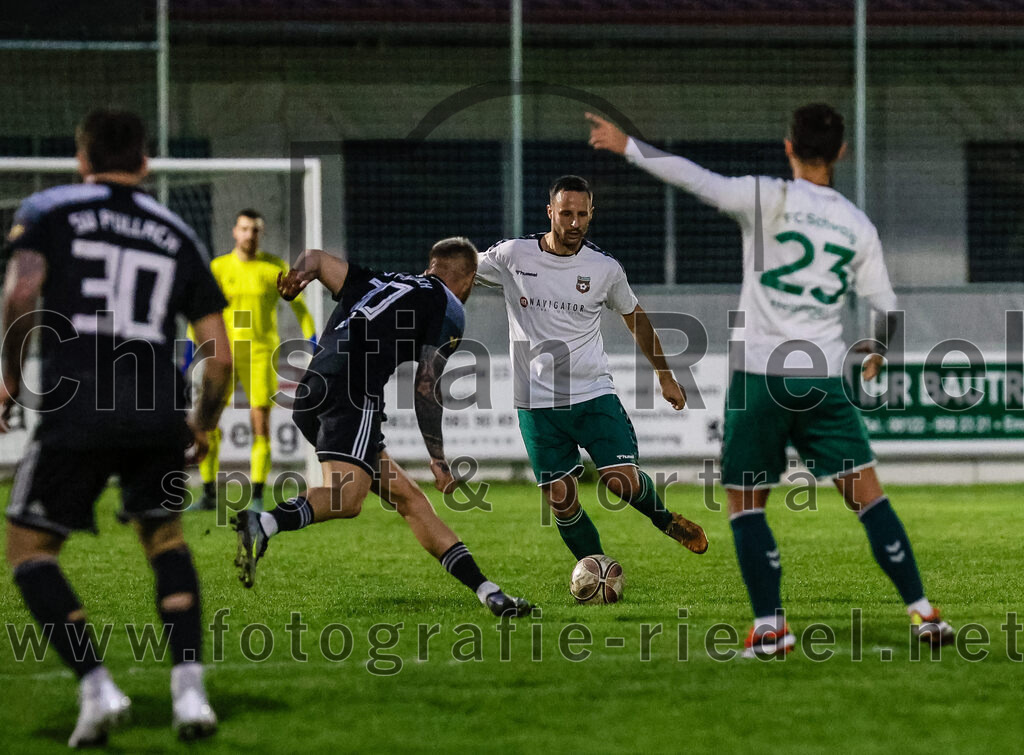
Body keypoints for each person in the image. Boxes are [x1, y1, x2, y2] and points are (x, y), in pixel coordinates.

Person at [587, 104, 955, 656]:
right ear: (841, 152)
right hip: (822, 380)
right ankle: (924, 613)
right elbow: (886, 308)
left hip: (760, 378)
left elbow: (697, 179)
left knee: (747, 503)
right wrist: (877, 350)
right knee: (869, 499)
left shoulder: (768, 197)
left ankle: (770, 628)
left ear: (788, 147)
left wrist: (628, 146)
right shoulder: (857, 224)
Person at [2, 109, 232, 745]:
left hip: (77, 408)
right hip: (157, 412)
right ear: (145, 162)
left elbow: (21, 294)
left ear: (82, 159)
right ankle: (190, 696)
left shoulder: (49, 209)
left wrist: (11, 376)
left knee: (29, 551)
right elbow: (220, 357)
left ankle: (97, 687)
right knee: (166, 542)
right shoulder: (176, 231)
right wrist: (201, 424)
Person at [233, 239, 532, 618]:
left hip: (312, 387)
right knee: (346, 498)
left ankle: (489, 593)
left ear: (431, 266)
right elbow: (427, 386)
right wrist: (438, 458)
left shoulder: (380, 280)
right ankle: (263, 523)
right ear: (470, 279)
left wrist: (298, 276)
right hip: (352, 389)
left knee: (409, 499)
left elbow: (317, 260)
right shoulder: (449, 307)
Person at [475, 175, 709, 566]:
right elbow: (462, 268)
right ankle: (597, 571)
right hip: (535, 403)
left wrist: (665, 375)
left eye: (583, 214)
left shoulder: (604, 268)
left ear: (591, 214)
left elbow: (635, 316)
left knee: (621, 481)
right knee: (561, 500)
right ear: (550, 212)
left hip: (592, 393)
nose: (575, 222)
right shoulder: (513, 255)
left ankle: (665, 520)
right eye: (566, 213)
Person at [190, 209, 317, 512]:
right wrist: (189, 347)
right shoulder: (219, 267)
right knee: (208, 422)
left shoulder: (274, 267)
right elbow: (202, 308)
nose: (249, 235)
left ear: (261, 233)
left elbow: (300, 308)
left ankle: (257, 496)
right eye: (245, 229)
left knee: (260, 424)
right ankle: (208, 493)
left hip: (260, 354)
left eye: (255, 230)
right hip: (223, 353)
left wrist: (313, 342)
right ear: (235, 232)